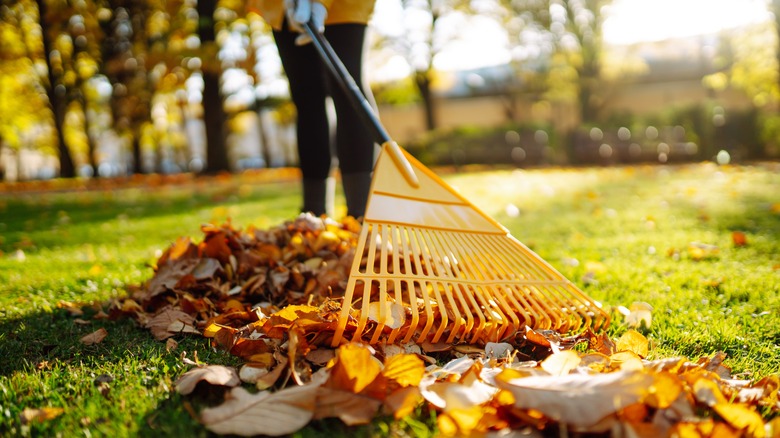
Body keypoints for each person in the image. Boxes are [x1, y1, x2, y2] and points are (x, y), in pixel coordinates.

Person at [250, 0, 377, 218]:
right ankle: (314, 213)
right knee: (306, 96)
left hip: (343, 6)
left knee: (347, 90)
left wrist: (319, 3)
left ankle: (361, 212)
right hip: (283, 6)